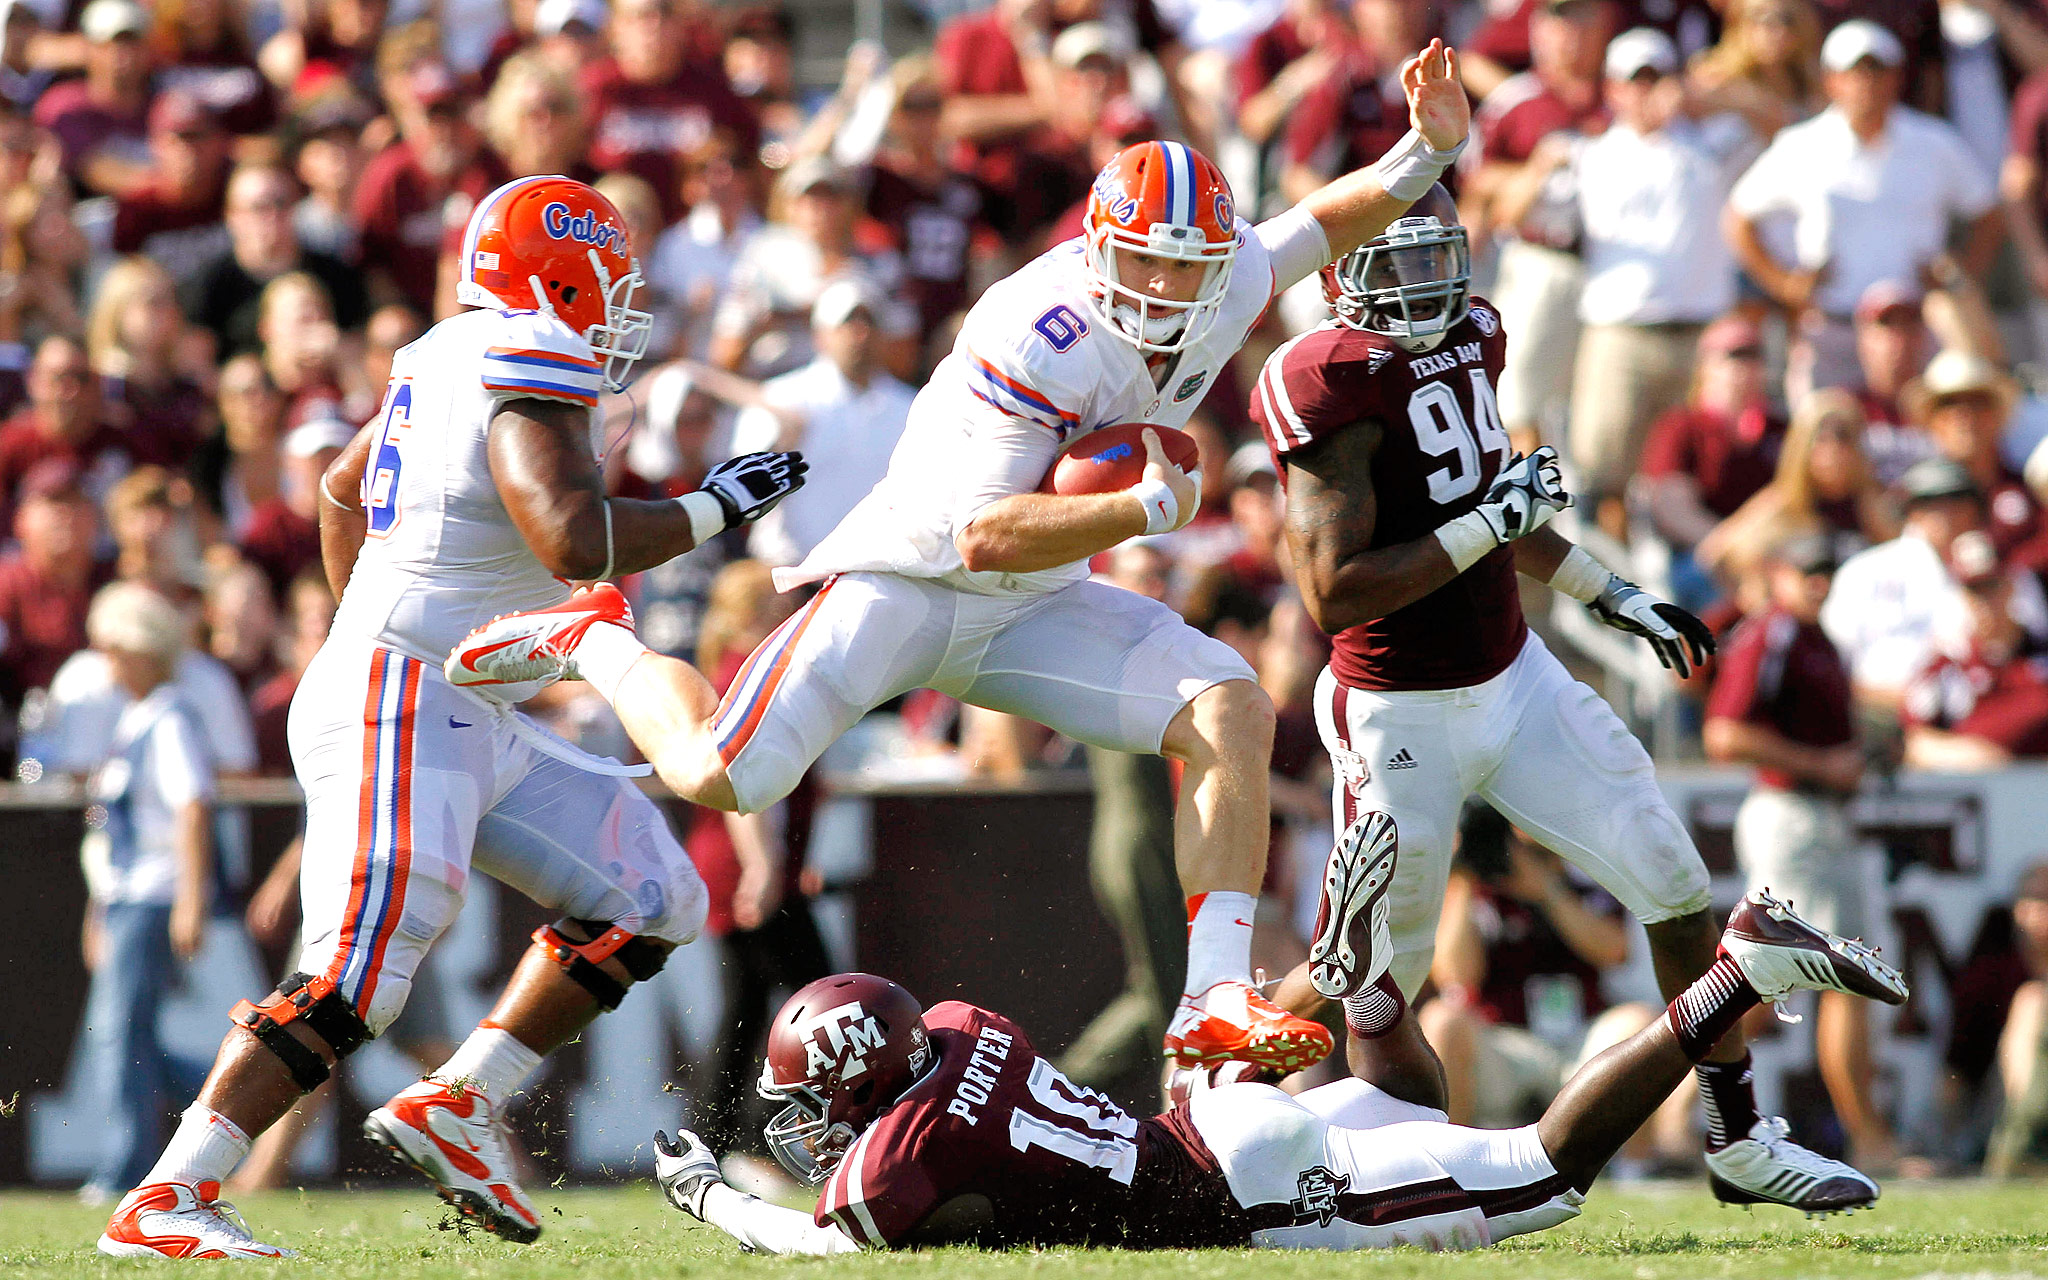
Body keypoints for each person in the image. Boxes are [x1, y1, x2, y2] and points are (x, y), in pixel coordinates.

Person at [451, 44, 1477, 1077]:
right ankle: (596, 640)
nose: (1167, 287)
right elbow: (984, 533)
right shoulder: (1037, 326)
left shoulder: (1226, 273)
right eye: (1145, 261)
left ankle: (1212, 993)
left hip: (1033, 602)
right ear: (1097, 244)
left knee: (1231, 706)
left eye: (1188, 266)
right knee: (725, 772)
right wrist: (1140, 505)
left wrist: (1420, 150)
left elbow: (1319, 225)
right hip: (912, 578)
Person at [93, 176, 807, 1258]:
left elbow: (339, 489)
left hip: (452, 697)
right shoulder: (527, 348)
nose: (617, 308)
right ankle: (165, 1193)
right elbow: (571, 537)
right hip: (406, 695)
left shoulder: (443, 352)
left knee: (654, 893)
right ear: (557, 277)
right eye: (605, 281)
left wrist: (366, 626)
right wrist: (717, 503)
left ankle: (463, 1098)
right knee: (356, 973)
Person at [1247, 186, 1878, 1213]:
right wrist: (1486, 521)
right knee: (1364, 972)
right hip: (1396, 709)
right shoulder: (1321, 378)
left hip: (1515, 674)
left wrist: (1611, 591)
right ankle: (1207, 1094)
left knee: (1673, 881)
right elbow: (1333, 590)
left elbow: (1501, 508)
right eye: (1394, 265)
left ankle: (1732, 1133)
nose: (1425, 286)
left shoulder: (1475, 333)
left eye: (1434, 257)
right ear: (1338, 275)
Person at [647, 880, 1908, 1254]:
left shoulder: (901, 1155)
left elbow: (818, 1245)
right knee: (1409, 1106)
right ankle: (1357, 979)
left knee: (1546, 1171)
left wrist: (708, 1191)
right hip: (1213, 1124)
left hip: (1237, 1190)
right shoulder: (966, 1023)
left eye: (817, 1099)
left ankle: (1735, 969)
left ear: (861, 1086)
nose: (811, 1125)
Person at [1704, 531, 1901, 1170]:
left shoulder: (1816, 642)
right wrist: (1824, 762)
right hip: (1794, 817)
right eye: (1807, 566)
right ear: (1777, 571)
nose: (1820, 579)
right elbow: (1725, 733)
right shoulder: (1775, 633)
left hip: (1816, 820)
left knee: (1758, 987)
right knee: (1841, 980)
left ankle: (1669, 1101)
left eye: (1828, 568)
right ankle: (1871, 1140)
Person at [1723, 19, 2000, 402]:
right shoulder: (1802, 145)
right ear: (1831, 80)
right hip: (1833, 331)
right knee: (1827, 441)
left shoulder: (1934, 144)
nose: (1866, 82)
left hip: (1914, 333)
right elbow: (1738, 218)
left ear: (1896, 78)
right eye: (1855, 71)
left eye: (1877, 70)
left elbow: (1988, 212)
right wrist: (1784, 284)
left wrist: (1961, 275)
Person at [73, 582, 220, 1202]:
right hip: (127, 898)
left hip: (154, 895)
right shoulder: (137, 717)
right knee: (131, 1034)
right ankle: (229, 1109)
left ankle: (124, 1167)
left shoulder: (168, 716)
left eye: (111, 648)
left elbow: (191, 809)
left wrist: (191, 899)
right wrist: (98, 908)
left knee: (119, 1032)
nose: (104, 661)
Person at [724, 281, 917, 569]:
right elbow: (740, 492)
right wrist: (779, 449)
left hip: (875, 577)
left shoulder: (913, 407)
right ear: (821, 336)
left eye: (869, 321)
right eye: (847, 322)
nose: (860, 332)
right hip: (789, 576)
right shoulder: (779, 398)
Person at [1902, 530, 2048, 767]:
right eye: (1974, 590)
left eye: (1992, 586)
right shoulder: (1949, 663)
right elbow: (1915, 743)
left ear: (2011, 585)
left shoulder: (2040, 650)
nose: (1985, 601)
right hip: (1977, 792)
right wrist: (1985, 760)